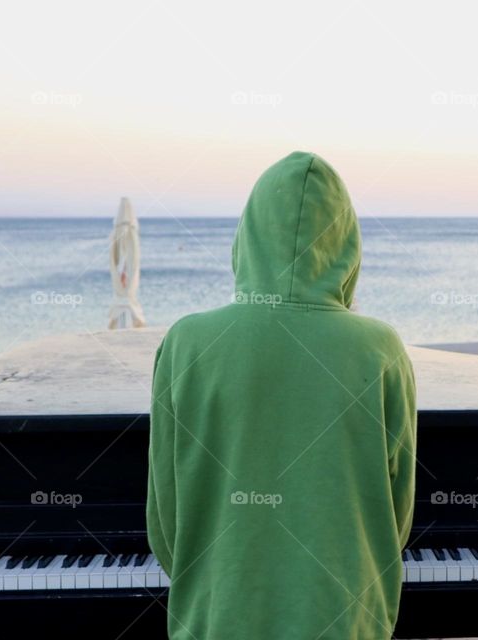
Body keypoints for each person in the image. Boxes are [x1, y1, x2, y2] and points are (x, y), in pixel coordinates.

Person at [147, 151, 417, 639]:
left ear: (247, 237)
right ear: (346, 243)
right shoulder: (382, 348)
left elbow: (166, 515)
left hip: (218, 621)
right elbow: (395, 514)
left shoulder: (185, 342)